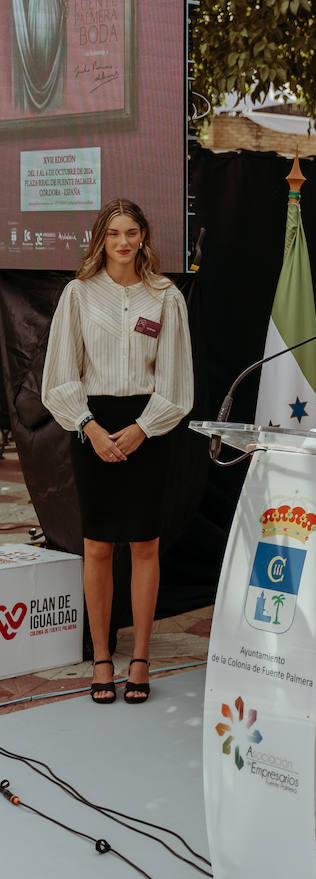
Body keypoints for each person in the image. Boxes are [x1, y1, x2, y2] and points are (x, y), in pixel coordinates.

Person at [41, 200, 193, 705]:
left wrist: (142, 429)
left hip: (146, 432)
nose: (123, 243)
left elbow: (176, 383)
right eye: (113, 234)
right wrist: (90, 427)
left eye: (131, 232)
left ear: (144, 237)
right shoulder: (78, 295)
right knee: (99, 546)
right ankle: (103, 656)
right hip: (92, 426)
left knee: (145, 544)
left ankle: (142, 658)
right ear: (100, 240)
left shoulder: (166, 296)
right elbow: (60, 376)